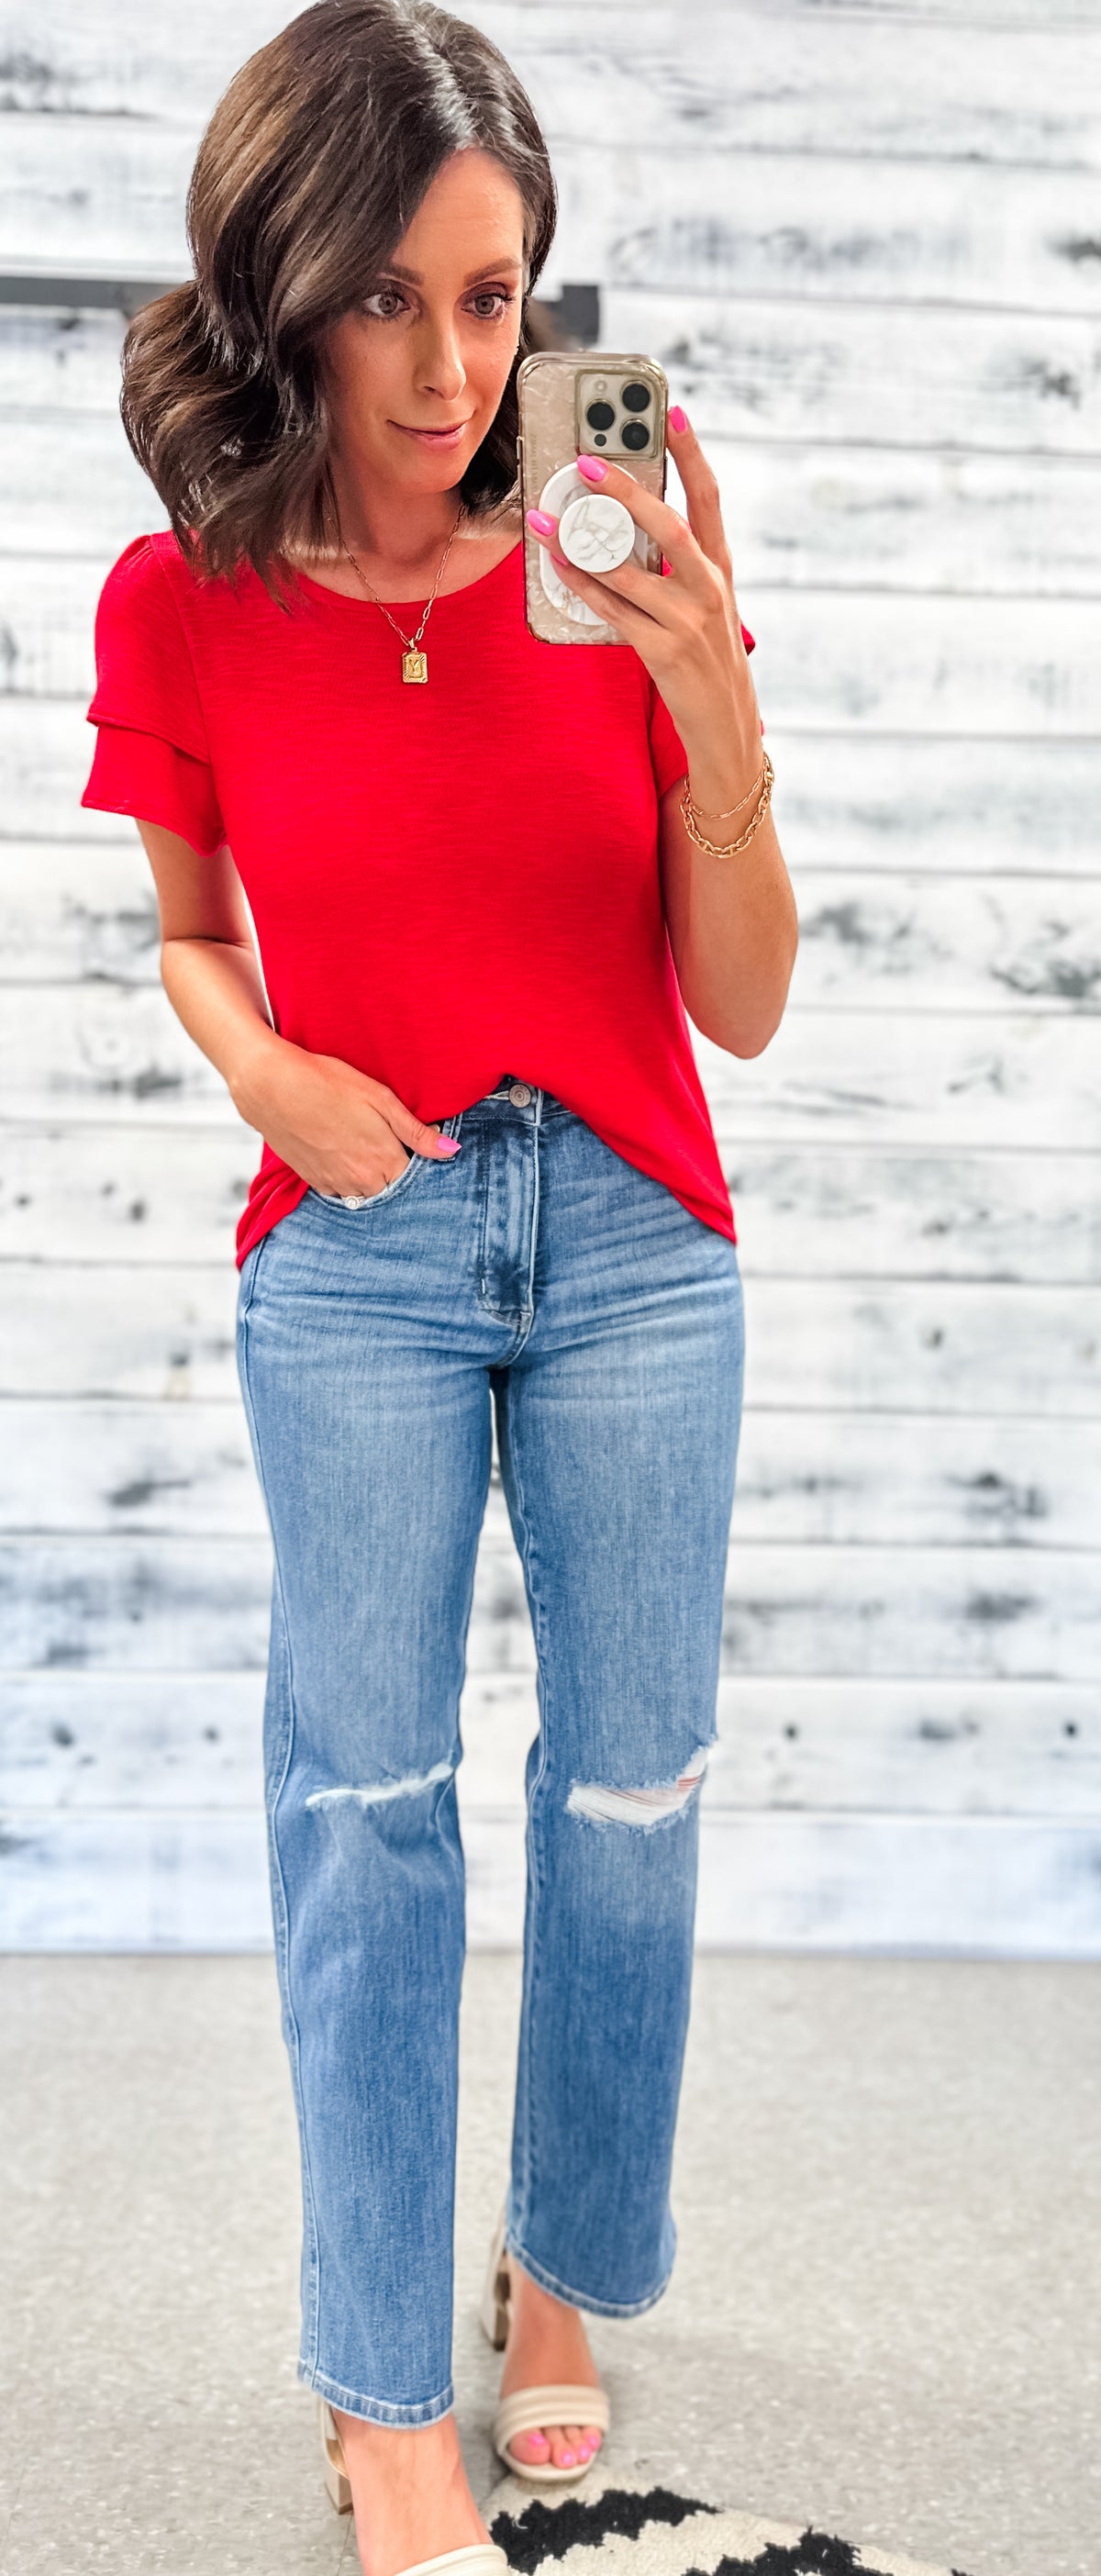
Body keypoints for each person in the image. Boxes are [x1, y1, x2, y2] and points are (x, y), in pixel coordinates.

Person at [82, 4, 797, 2570]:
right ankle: (387, 2396)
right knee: (362, 1811)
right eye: (389, 300)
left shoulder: (625, 530)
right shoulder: (184, 598)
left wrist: (709, 688)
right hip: (354, 1243)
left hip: (633, 1235)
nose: (454, 364)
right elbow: (186, 939)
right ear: (284, 289)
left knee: (628, 1791)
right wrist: (270, 1076)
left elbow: (744, 1002)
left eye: (498, 299)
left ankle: (564, 2278)